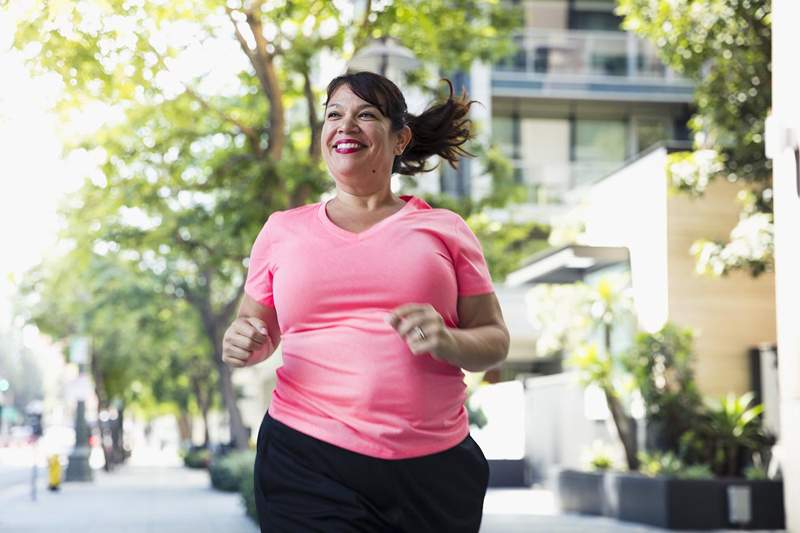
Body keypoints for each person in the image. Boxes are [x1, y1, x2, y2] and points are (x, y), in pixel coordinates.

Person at [221, 71, 510, 533]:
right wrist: (244, 342)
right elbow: (254, 328)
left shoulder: (445, 228)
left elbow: (494, 340)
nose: (345, 125)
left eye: (366, 115)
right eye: (333, 115)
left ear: (401, 139)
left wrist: (450, 341)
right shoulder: (281, 231)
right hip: (307, 455)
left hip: (433, 468)